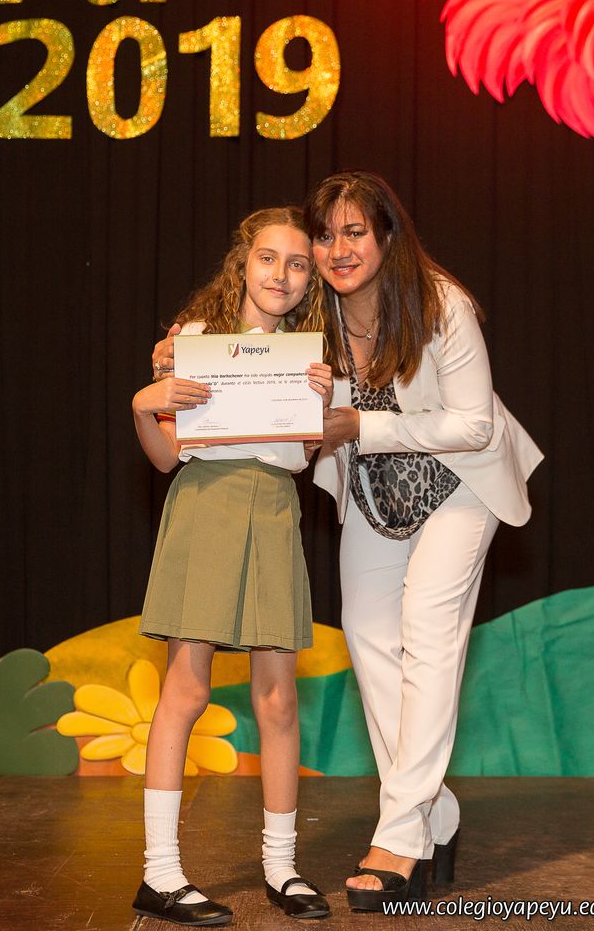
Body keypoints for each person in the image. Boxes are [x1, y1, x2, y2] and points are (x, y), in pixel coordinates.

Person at [304, 171, 543, 912]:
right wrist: (180, 355)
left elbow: (474, 424)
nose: (338, 250)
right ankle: (434, 816)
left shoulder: (441, 304)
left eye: (354, 232)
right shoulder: (315, 312)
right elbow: (245, 338)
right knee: (368, 637)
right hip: (376, 485)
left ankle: (400, 836)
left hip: (460, 481)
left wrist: (362, 424)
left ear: (386, 236)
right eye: (325, 235)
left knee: (429, 632)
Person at [132, 206, 333, 926]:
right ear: (242, 264)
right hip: (206, 505)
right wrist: (144, 404)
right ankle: (160, 874)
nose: (281, 274)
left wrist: (321, 403)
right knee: (186, 690)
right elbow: (165, 457)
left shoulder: (311, 362)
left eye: (298, 264)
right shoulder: (191, 344)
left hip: (274, 509)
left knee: (277, 700)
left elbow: (302, 455)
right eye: (268, 259)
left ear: (310, 280)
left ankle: (282, 867)